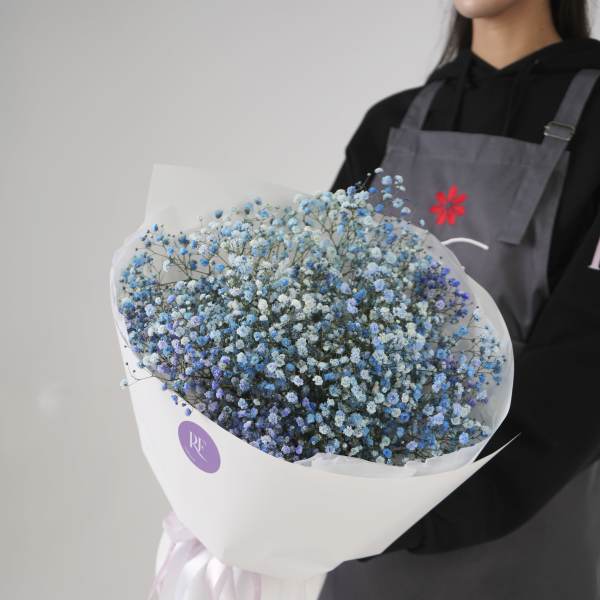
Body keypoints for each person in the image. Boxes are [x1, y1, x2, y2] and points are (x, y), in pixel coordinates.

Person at [319, 1, 600, 598]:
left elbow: (587, 360)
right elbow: (321, 324)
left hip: (524, 529)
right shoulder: (389, 124)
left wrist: (411, 512)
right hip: (365, 540)